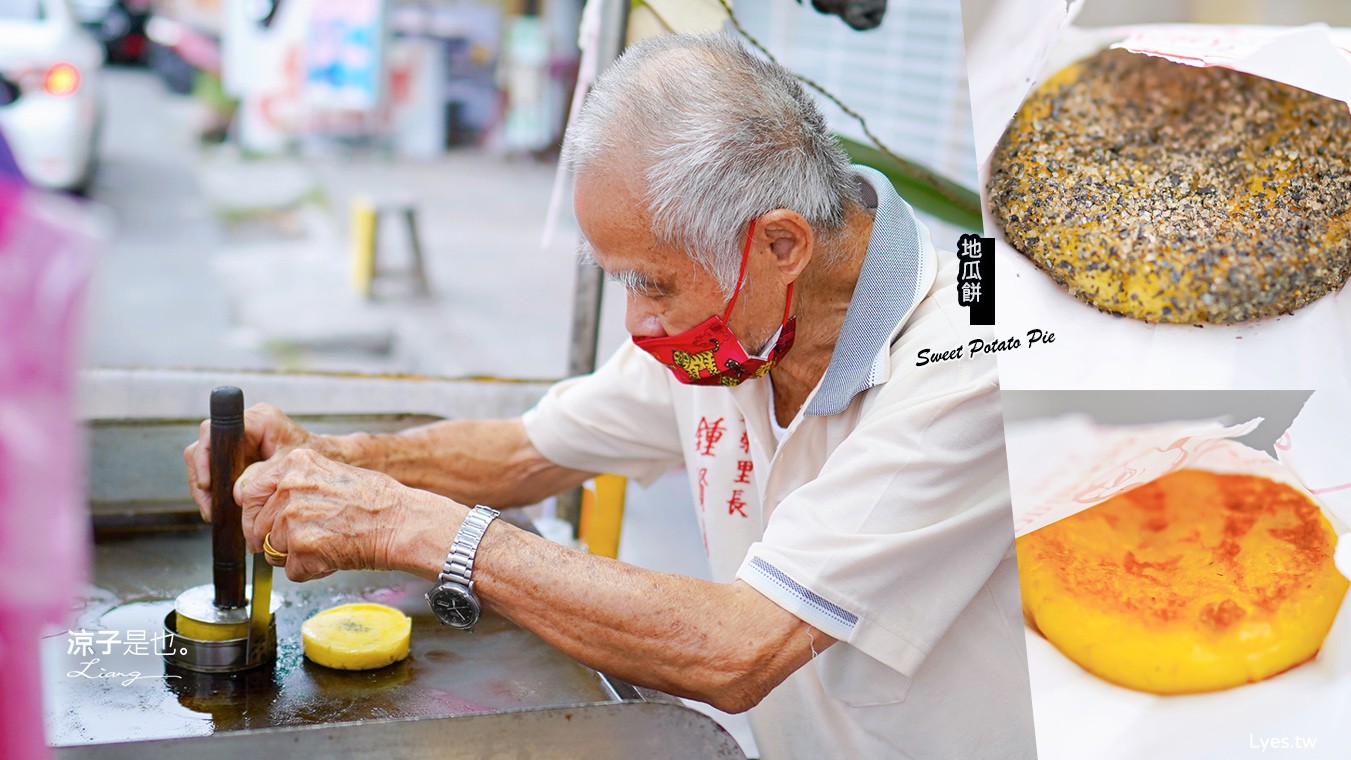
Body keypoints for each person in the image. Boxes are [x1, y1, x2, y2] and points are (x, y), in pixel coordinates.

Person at [184, 33, 1035, 759]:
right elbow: (530, 450)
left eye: (653, 285)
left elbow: (739, 645)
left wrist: (416, 526)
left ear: (782, 243)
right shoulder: (739, 330)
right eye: (619, 282)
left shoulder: (983, 347)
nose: (636, 325)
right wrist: (333, 462)